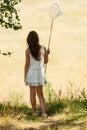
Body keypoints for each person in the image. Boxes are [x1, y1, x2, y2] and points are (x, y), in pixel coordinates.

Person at [24, 31, 50, 118]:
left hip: (31, 74)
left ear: (28, 40)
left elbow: (27, 65)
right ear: (37, 39)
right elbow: (46, 61)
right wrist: (47, 54)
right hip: (39, 74)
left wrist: (25, 76)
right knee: (40, 94)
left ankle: (35, 112)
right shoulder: (43, 48)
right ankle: (44, 113)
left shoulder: (28, 51)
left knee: (32, 93)